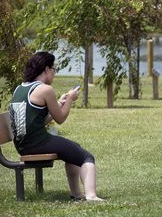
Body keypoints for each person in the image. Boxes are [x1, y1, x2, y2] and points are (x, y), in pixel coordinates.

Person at [8, 52, 104, 201]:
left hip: (23, 144)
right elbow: (60, 118)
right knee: (86, 156)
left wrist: (58, 103)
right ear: (46, 69)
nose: (54, 74)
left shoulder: (19, 88)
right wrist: (71, 99)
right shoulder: (45, 90)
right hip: (37, 143)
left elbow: (38, 120)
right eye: (54, 69)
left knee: (73, 150)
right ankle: (91, 196)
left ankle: (76, 194)